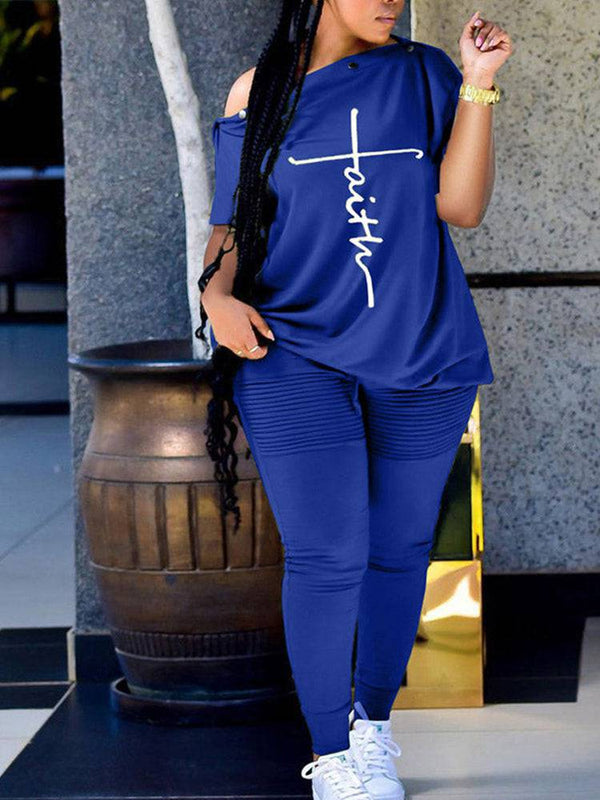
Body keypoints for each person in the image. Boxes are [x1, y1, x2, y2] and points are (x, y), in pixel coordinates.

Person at [195, 2, 513, 798]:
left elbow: (461, 208)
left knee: (400, 549)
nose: (389, 0)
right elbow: (233, 224)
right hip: (292, 348)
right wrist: (216, 297)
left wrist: (478, 84)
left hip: (420, 347)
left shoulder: (427, 74)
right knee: (327, 554)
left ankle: (372, 730)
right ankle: (332, 755)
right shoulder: (260, 91)